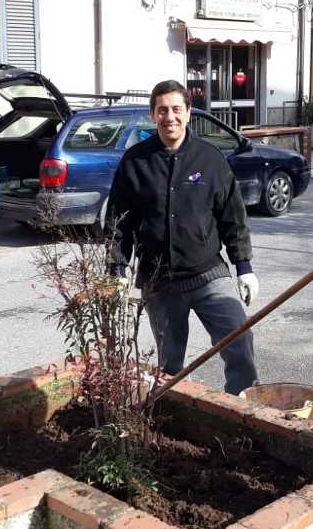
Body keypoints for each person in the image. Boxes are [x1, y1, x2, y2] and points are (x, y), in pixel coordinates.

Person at [105, 80, 259, 396]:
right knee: (169, 364)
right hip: (158, 282)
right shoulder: (136, 162)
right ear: (152, 115)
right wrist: (116, 270)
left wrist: (243, 266)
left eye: (177, 109)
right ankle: (171, 416)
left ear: (189, 113)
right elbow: (119, 222)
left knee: (239, 341)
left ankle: (241, 409)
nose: (170, 117)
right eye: (162, 110)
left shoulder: (210, 159)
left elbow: (232, 216)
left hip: (207, 274)